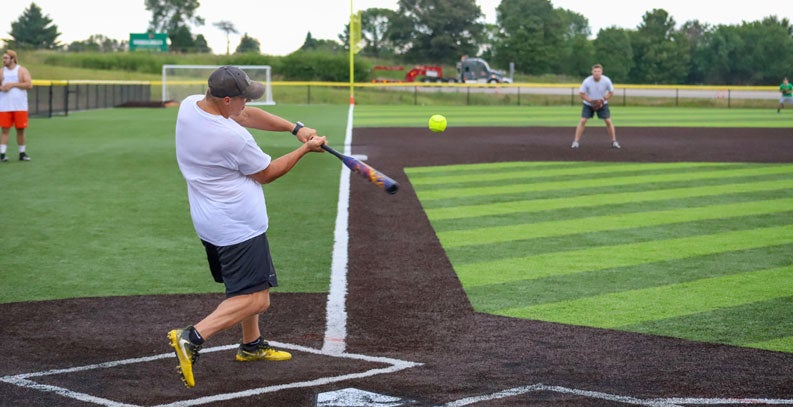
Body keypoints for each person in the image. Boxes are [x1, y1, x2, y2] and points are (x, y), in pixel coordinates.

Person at [168, 65, 326, 389]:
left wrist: (294, 128)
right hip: (237, 226)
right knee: (257, 299)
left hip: (210, 221)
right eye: (242, 99)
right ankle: (192, 337)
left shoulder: (190, 106)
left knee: (244, 287)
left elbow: (245, 114)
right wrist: (305, 149)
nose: (246, 105)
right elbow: (266, 173)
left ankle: (251, 345)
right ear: (226, 99)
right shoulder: (231, 137)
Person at [571, 64, 620, 149]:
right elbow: (581, 93)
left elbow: (611, 92)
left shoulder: (606, 80)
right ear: (592, 72)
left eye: (598, 71)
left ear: (602, 72)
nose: (597, 73)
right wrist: (591, 101)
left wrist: (603, 99)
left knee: (608, 121)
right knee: (583, 120)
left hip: (602, 103)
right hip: (589, 104)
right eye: (595, 71)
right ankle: (575, 141)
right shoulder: (587, 81)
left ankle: (614, 141)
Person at [0, 50, 33, 162]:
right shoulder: (1, 72)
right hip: (5, 106)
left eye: (6, 58)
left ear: (13, 59)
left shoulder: (21, 70)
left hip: (20, 106)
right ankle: (2, 154)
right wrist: (2, 88)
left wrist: (12, 84)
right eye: (3, 58)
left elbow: (29, 84)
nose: (3, 60)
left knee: (20, 129)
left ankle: (22, 153)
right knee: (4, 129)